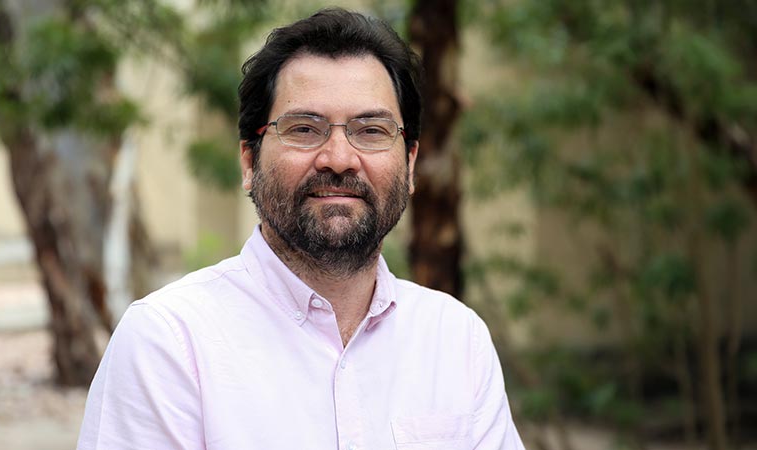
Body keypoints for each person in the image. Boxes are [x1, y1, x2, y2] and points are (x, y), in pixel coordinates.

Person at [77, 8, 525, 450]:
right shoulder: (170, 343)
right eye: (304, 128)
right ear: (249, 161)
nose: (339, 157)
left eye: (370, 130)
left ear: (409, 164)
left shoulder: (456, 340)